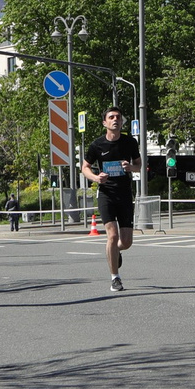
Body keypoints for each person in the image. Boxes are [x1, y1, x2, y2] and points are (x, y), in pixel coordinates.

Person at [81, 107, 143, 291]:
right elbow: (85, 167)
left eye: (118, 117)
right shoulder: (97, 145)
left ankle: (115, 252)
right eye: (111, 117)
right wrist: (96, 178)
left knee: (126, 242)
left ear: (122, 122)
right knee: (112, 235)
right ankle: (115, 278)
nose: (115, 120)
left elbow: (139, 165)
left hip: (124, 194)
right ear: (105, 123)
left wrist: (130, 167)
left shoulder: (130, 142)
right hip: (106, 194)